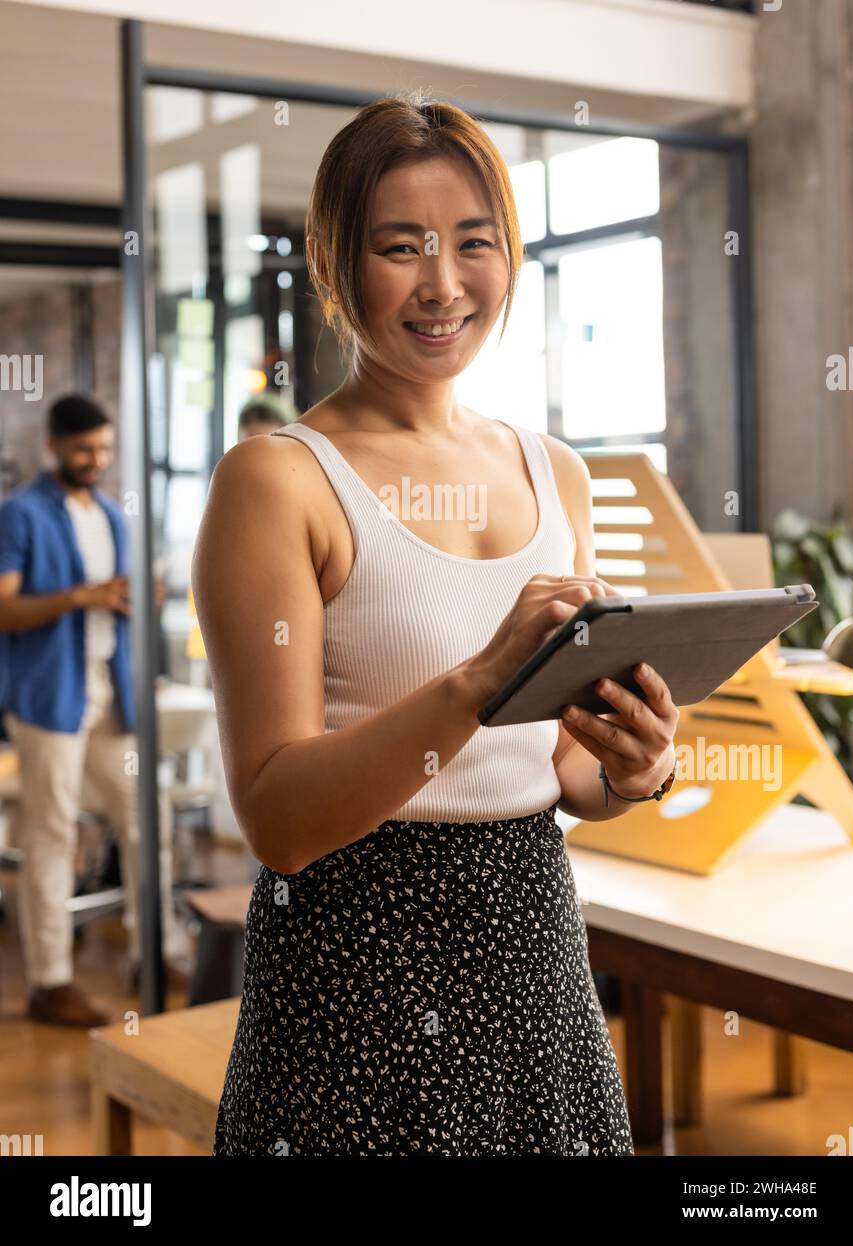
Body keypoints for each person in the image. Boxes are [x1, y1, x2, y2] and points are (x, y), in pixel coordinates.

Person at [192, 93, 679, 1156]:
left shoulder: (555, 471)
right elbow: (279, 819)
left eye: (474, 243)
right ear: (334, 261)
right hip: (354, 972)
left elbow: (560, 764)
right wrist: (477, 679)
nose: (443, 283)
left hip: (536, 951)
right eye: (401, 246)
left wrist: (633, 770)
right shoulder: (276, 479)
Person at [0, 394, 186, 1027]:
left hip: (113, 693)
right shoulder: (20, 514)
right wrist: (84, 596)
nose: (97, 459)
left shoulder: (113, 515)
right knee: (52, 833)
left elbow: (126, 595)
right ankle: (50, 983)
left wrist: (140, 596)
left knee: (145, 818)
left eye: (104, 448)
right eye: (84, 449)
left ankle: (155, 950)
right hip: (50, 696)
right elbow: (5, 609)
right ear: (54, 446)